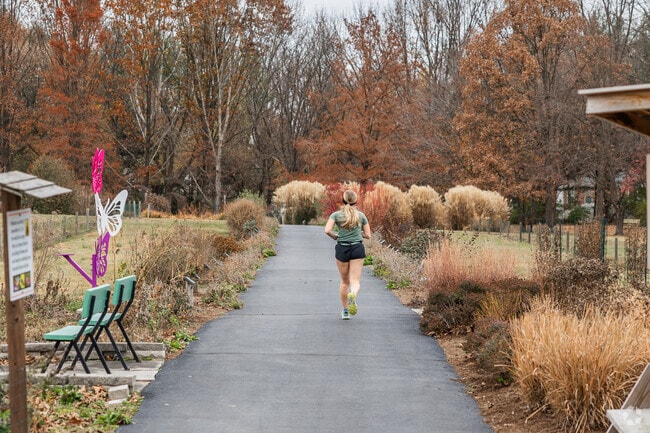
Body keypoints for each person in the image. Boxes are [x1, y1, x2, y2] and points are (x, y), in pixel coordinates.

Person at [324, 190, 372, 320]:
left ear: (343, 200)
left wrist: (335, 236)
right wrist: (358, 233)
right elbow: (368, 235)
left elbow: (327, 230)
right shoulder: (361, 215)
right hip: (357, 247)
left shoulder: (336, 215)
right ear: (356, 201)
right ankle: (353, 294)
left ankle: (345, 311)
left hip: (342, 249)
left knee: (344, 281)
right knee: (355, 281)